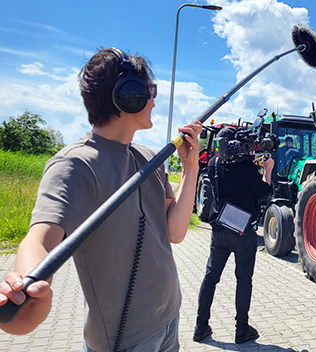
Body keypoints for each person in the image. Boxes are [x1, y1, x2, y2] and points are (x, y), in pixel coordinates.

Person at [0, 47, 202, 352]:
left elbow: (175, 232)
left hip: (168, 316)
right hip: (124, 340)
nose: (154, 100)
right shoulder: (75, 164)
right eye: (150, 91)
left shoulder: (150, 158)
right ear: (128, 95)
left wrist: (190, 167)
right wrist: (28, 288)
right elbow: (39, 238)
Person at [193, 126, 274, 344]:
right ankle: (241, 329)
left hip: (219, 227)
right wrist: (267, 170)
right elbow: (263, 194)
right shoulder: (246, 166)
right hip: (243, 231)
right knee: (244, 280)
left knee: (211, 277)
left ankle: (200, 327)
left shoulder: (213, 164)